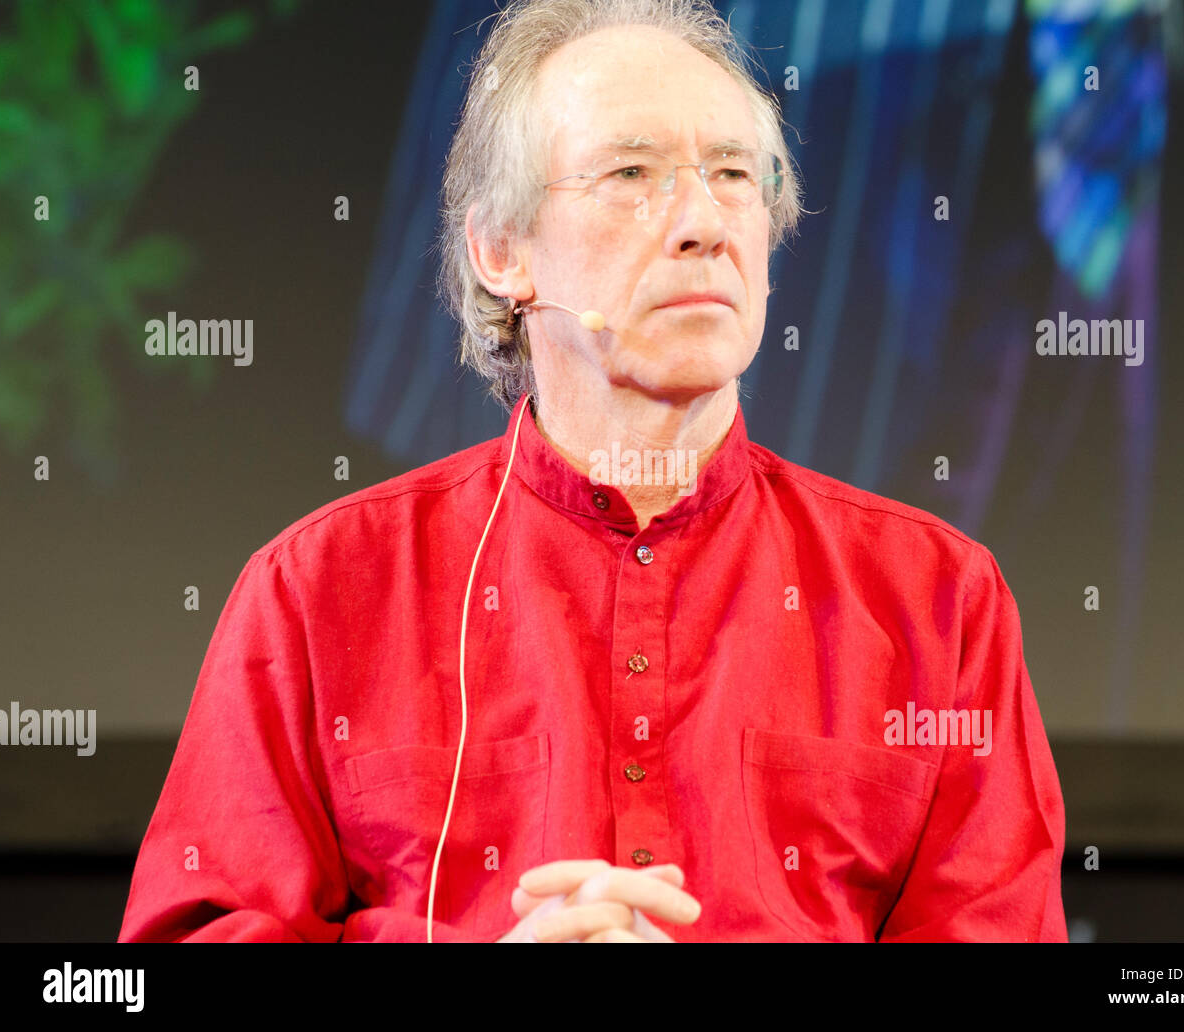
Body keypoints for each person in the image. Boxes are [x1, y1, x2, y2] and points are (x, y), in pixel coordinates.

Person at [118, 0, 1066, 943]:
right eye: (632, 173)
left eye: (734, 173)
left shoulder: (939, 603)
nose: (704, 220)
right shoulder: (317, 593)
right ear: (501, 250)